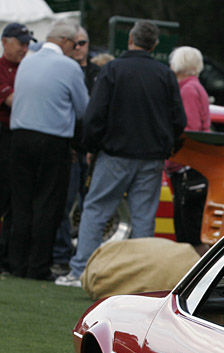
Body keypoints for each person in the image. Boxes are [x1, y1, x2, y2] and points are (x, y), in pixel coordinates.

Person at [57, 20, 186, 288]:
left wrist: (91, 146)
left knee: (96, 210)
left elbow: (95, 114)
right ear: (155, 44)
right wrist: (168, 145)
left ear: (130, 39)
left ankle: (81, 271)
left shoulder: (114, 69)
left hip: (115, 153)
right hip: (151, 156)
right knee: (143, 218)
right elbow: (179, 119)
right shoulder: (164, 74)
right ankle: (140, 277)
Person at [6, 19, 88, 280]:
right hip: (52, 141)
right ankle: (38, 266)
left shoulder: (27, 61)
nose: (75, 48)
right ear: (64, 41)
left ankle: (17, 263)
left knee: (21, 202)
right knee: (47, 204)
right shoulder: (69, 67)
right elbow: (83, 108)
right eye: (74, 43)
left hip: (19, 138)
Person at [52, 25, 101, 276]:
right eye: (75, 43)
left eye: (82, 43)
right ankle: (62, 256)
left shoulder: (98, 73)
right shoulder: (60, 69)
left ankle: (88, 260)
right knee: (63, 206)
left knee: (91, 209)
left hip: (91, 150)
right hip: (70, 148)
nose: (78, 47)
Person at [166, 45, 211, 246]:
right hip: (194, 167)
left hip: (186, 168)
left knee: (187, 229)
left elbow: (189, 130)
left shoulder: (187, 90)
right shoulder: (195, 87)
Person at [0, 22, 34, 274]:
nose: (25, 48)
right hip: (4, 137)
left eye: (27, 43)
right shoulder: (2, 68)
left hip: (21, 138)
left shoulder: (29, 67)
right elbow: (13, 101)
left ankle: (12, 258)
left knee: (17, 200)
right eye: (20, 43)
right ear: (5, 42)